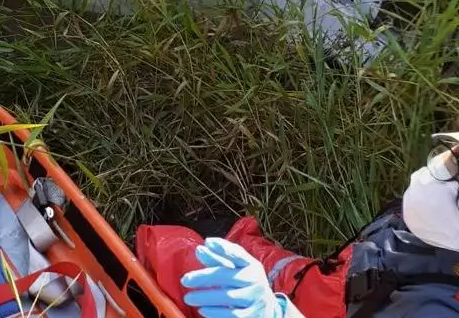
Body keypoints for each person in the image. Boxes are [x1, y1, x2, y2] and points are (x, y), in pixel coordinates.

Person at [139, 129, 459, 317]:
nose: (437, 175)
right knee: (220, 236)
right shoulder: (435, 224)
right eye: (454, 157)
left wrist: (272, 313)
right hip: (336, 285)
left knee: (164, 258)